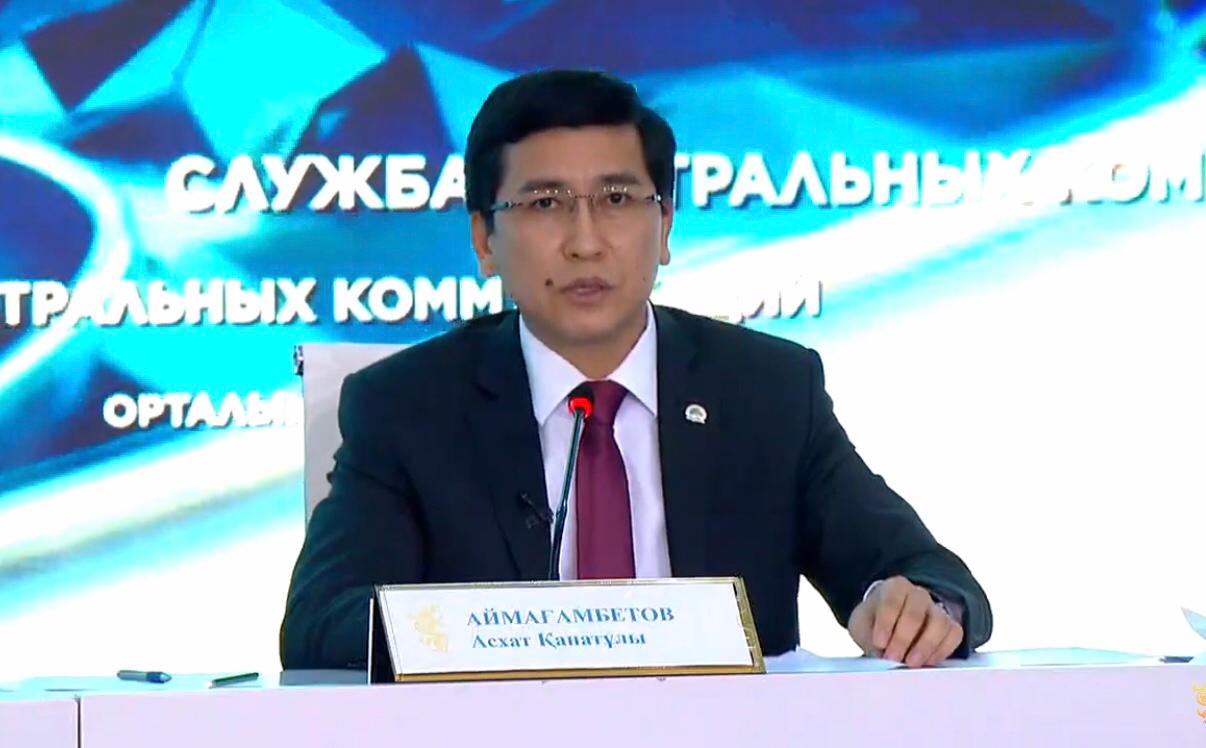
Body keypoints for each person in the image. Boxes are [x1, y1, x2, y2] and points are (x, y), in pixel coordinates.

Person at [281, 69, 991, 670]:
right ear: (484, 240)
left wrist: (919, 609)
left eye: (618, 200)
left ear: (666, 226)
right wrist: (494, 633)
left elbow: (938, 581)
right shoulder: (405, 408)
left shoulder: (767, 391)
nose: (586, 242)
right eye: (545, 204)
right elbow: (320, 624)